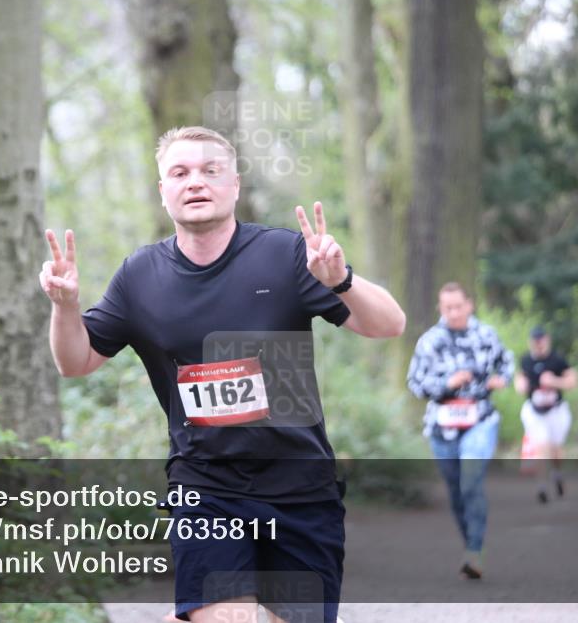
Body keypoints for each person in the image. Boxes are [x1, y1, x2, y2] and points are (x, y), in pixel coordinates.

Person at [39, 126, 406, 623]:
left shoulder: (288, 256)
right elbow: (75, 362)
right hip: (206, 488)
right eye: (180, 172)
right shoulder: (139, 277)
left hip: (300, 488)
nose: (196, 182)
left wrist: (340, 280)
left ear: (234, 184)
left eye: (210, 171)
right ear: (163, 191)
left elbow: (389, 324)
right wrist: (64, 308)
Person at [407, 282, 513, 580]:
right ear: (441, 309)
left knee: (471, 480)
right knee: (455, 491)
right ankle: (470, 545)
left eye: (458, 306)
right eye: (446, 307)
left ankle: (475, 551)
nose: (452, 313)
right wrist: (447, 384)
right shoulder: (429, 341)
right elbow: (415, 383)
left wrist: (499, 380)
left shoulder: (486, 335)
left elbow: (506, 364)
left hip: (479, 419)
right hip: (442, 425)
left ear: (469, 305)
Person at [515, 326, 578, 503]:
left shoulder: (557, 360)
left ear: (547, 340)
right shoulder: (526, 360)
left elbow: (572, 381)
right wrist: (521, 385)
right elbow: (519, 378)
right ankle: (541, 485)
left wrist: (555, 381)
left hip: (556, 411)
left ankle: (557, 473)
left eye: (541, 339)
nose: (538, 344)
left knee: (556, 449)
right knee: (541, 446)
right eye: (535, 340)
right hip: (535, 411)